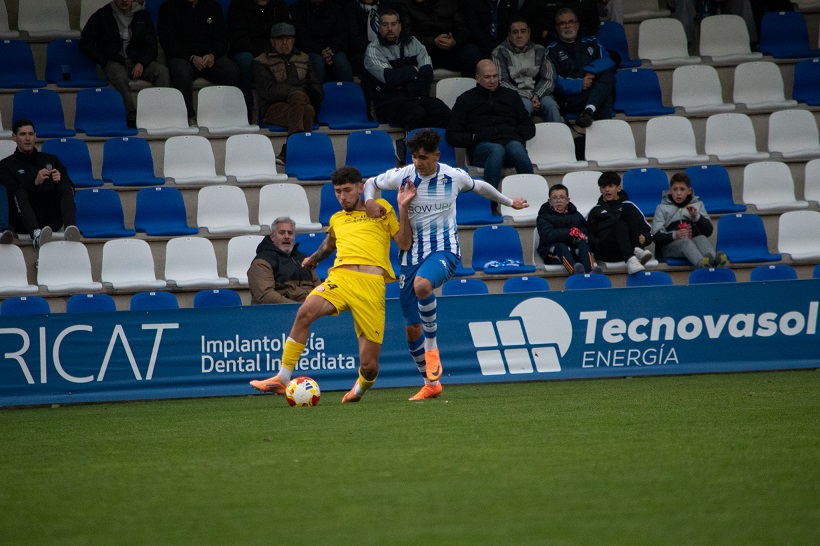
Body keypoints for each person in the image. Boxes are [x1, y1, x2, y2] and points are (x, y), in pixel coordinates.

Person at [363, 128, 529, 401]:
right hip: (409, 258)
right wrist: (369, 201)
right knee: (411, 327)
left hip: (444, 251)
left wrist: (509, 202)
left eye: (424, 157)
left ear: (437, 155)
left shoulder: (452, 176)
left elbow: (481, 186)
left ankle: (432, 347)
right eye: (415, 157)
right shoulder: (403, 175)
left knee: (422, 286)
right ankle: (430, 382)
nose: (418, 162)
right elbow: (371, 182)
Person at [250, 166, 414, 403]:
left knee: (369, 367)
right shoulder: (337, 219)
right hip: (340, 280)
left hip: (371, 286)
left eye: (347, 190)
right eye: (337, 192)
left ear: (360, 188)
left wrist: (403, 206)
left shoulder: (381, 210)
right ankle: (282, 377)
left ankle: (358, 390)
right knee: (305, 311)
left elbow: (405, 243)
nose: (342, 197)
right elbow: (329, 245)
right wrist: (313, 259)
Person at [446, 59, 535, 214]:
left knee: (517, 149)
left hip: (510, 144)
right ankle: (489, 205)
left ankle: (532, 200)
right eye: (487, 77)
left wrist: (515, 135)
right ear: (478, 78)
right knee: (496, 150)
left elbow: (529, 128)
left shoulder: (511, 96)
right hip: (482, 150)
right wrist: (476, 137)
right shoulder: (466, 100)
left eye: (495, 76)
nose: (492, 80)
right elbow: (452, 135)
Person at [80, 0, 170, 128]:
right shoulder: (103, 15)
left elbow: (151, 45)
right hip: (114, 60)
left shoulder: (143, 15)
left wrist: (141, 63)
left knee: (162, 71)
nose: (124, 1)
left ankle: (162, 114)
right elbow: (85, 43)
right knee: (118, 76)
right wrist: (104, 60)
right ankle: (131, 117)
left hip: (137, 60)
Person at [363, 9, 452, 132]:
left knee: (443, 112)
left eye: (393, 24)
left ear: (400, 27)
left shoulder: (414, 43)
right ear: (379, 28)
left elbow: (426, 75)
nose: (390, 28)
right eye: (385, 25)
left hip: (415, 97)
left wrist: (403, 84)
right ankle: (411, 147)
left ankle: (433, 148)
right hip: (388, 102)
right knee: (416, 113)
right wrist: (412, 70)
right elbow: (390, 78)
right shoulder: (373, 49)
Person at [158, 0, 242, 124]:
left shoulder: (213, 6)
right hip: (183, 57)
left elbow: (222, 38)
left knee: (232, 70)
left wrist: (213, 54)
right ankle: (188, 117)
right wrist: (191, 57)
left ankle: (224, 115)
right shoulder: (168, 7)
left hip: (209, 58)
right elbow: (168, 42)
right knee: (181, 71)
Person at [0, 120, 80, 247]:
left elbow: (71, 189)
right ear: (14, 137)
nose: (28, 138)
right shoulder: (5, 165)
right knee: (18, 192)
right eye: (23, 134)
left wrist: (61, 179)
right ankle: (36, 234)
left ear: (35, 136)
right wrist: (34, 183)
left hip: (51, 218)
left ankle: (70, 228)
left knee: (65, 185)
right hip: (23, 221)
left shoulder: (51, 159)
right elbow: (10, 194)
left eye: (31, 134)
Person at [253, 22, 323, 149]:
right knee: (307, 109)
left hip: (300, 103)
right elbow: (269, 91)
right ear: (272, 42)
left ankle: (291, 150)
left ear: (293, 41)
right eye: (280, 39)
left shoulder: (304, 58)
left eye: (288, 39)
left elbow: (315, 84)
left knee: (307, 107)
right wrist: (298, 93)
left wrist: (314, 94)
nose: (285, 43)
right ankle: (297, 149)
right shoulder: (261, 61)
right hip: (273, 109)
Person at [546, 7, 616, 128]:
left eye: (571, 22)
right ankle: (602, 142)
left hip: (593, 90)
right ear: (557, 28)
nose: (567, 26)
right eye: (562, 23)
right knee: (605, 98)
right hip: (571, 98)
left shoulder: (592, 42)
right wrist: (579, 84)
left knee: (609, 78)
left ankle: (588, 111)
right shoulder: (551, 50)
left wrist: (591, 71)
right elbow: (553, 81)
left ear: (577, 24)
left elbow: (608, 62)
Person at [226, 0, 290, 121]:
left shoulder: (279, 5)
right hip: (245, 51)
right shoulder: (238, 5)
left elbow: (285, 31)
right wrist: (262, 55)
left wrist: (273, 52)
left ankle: (283, 109)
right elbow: (239, 38)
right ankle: (245, 108)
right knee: (247, 61)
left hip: (273, 51)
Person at [651, 172, 729, 269]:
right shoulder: (662, 208)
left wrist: (696, 217)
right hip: (669, 247)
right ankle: (702, 265)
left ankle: (714, 260)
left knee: (701, 238)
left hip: (693, 242)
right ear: (670, 190)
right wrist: (675, 235)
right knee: (685, 242)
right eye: (675, 189)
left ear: (689, 191)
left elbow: (708, 231)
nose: (678, 193)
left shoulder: (697, 205)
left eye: (682, 189)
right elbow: (656, 236)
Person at [492, 17, 561, 123]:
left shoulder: (540, 50)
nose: (519, 35)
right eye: (515, 32)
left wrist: (537, 95)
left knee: (551, 105)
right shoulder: (499, 52)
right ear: (509, 35)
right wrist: (529, 96)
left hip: (539, 94)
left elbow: (549, 78)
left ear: (529, 34)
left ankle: (558, 138)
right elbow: (502, 82)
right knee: (526, 105)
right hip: (515, 96)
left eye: (523, 32)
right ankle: (523, 138)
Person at [586, 171, 653, 275]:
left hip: (627, 248)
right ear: (600, 189)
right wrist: (597, 244)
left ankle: (635, 251)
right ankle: (633, 254)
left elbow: (647, 228)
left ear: (618, 188)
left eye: (610, 186)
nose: (607, 189)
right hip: (606, 250)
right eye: (604, 187)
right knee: (619, 224)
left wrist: (645, 237)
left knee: (628, 210)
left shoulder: (629, 205)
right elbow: (587, 234)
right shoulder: (595, 210)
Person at [247, 217, 321, 304]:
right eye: (282, 233)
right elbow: (266, 297)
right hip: (279, 314)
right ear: (272, 237)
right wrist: (299, 307)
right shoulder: (262, 261)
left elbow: (319, 289)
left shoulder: (303, 259)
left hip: (310, 310)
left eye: (290, 233)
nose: (286, 237)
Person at [397, 0, 481, 77]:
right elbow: (407, 35)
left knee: (472, 51)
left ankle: (467, 90)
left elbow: (463, 30)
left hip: (450, 51)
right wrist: (433, 41)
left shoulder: (449, 2)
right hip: (425, 52)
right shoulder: (405, 4)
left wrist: (454, 41)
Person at [536, 183, 599, 275]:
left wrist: (581, 235)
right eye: (554, 198)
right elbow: (548, 236)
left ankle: (590, 273)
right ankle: (576, 274)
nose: (558, 200)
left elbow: (585, 230)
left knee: (583, 245)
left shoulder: (576, 215)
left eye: (562, 197)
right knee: (561, 246)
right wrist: (569, 233)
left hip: (572, 249)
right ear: (549, 201)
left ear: (567, 200)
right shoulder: (543, 217)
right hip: (551, 252)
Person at [289, 0, 354, 83]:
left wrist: (330, 49)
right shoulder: (297, 9)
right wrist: (321, 50)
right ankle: (318, 94)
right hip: (310, 50)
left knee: (342, 64)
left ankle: (351, 93)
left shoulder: (336, 8)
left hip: (332, 49)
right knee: (317, 64)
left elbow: (341, 35)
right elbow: (302, 38)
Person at [520, 0, 600, 47]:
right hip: (548, 45)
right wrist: (542, 33)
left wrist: (586, 41)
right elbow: (521, 21)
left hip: (580, 44)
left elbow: (593, 23)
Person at [344, 0, 384, 76]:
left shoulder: (383, 5)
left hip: (383, 47)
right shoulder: (351, 8)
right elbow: (354, 42)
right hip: (361, 52)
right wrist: (375, 49)